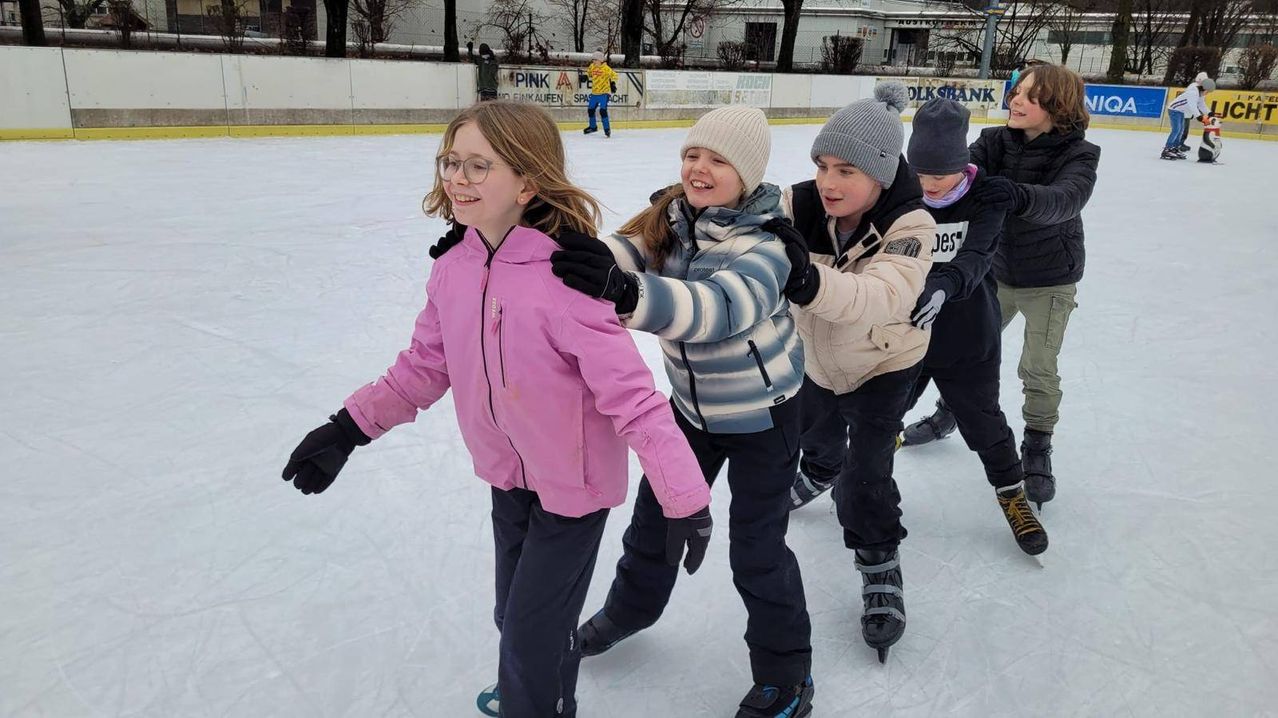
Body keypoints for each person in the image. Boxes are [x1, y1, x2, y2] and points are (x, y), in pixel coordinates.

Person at [279, 100, 712, 718]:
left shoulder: (566, 281)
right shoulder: (453, 270)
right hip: (508, 477)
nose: (457, 177)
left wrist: (684, 499)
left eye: (479, 165)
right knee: (515, 615)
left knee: (530, 635)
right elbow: (425, 368)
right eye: (451, 162)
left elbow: (635, 401)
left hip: (575, 489)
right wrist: (347, 429)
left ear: (528, 181)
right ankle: (550, 698)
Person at [549, 106, 815, 718]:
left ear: (747, 175)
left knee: (758, 551)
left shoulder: (768, 245)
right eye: (693, 154)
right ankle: (631, 609)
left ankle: (787, 675)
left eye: (718, 160)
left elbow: (715, 308)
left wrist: (627, 294)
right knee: (654, 523)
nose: (699, 168)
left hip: (764, 420)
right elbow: (620, 251)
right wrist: (556, 251)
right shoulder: (671, 219)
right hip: (692, 414)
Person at [778, 82, 936, 663]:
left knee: (865, 474)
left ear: (881, 173)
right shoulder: (799, 204)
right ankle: (818, 470)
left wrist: (805, 280)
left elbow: (880, 296)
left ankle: (879, 559)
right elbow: (741, 212)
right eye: (822, 165)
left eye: (846, 170)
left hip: (885, 361)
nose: (828, 181)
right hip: (817, 359)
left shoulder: (911, 225)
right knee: (814, 440)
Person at [897, 97, 1048, 556]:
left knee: (984, 423)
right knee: (878, 418)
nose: (928, 186)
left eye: (938, 176)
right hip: (904, 334)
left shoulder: (987, 196)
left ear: (962, 166)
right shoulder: (899, 191)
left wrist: (943, 285)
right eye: (919, 174)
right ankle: (860, 483)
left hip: (967, 335)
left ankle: (1011, 495)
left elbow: (977, 255)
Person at [960, 63, 1100, 509]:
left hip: (1050, 278)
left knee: (1037, 366)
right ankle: (951, 412)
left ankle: (1037, 446)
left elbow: (1066, 199)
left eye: (1030, 96)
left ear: (1057, 105)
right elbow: (960, 174)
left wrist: (1017, 195)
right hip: (996, 270)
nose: (1015, 101)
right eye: (1016, 91)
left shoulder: (1080, 154)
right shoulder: (993, 140)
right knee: (967, 352)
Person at [1163, 72, 1216, 160]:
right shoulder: (1193, 92)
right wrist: (1199, 117)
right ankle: (1167, 149)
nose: (1207, 93)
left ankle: (1175, 148)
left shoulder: (1200, 94)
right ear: (1204, 88)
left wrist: (1209, 113)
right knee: (1176, 130)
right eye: (1208, 91)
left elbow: (1201, 104)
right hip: (1174, 110)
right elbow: (1192, 106)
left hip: (1181, 111)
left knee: (1180, 130)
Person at [583, 51, 618, 137]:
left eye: (595, 60)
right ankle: (593, 127)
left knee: (602, 111)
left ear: (600, 60)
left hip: (604, 94)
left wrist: (613, 84)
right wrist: (585, 76)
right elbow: (588, 73)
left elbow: (614, 75)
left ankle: (607, 129)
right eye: (593, 60)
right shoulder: (592, 67)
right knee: (590, 110)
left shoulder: (606, 69)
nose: (593, 61)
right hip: (594, 93)